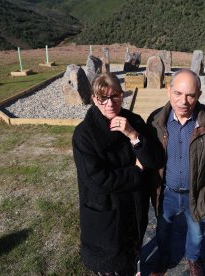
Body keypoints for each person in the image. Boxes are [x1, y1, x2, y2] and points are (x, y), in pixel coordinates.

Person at [72, 73, 164, 276]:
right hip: (106, 212)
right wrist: (136, 171)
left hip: (133, 207)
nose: (109, 103)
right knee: (110, 264)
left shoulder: (135, 122)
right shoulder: (84, 134)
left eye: (115, 96)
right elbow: (97, 180)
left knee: (132, 253)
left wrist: (133, 135)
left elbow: (155, 159)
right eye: (102, 98)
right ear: (94, 99)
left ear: (123, 96)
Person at [147, 69, 205, 276]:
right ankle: (164, 256)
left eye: (190, 95)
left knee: (196, 233)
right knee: (163, 230)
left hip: (198, 193)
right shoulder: (155, 120)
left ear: (199, 95)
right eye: (178, 93)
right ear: (169, 91)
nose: (183, 101)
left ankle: (193, 259)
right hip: (165, 192)